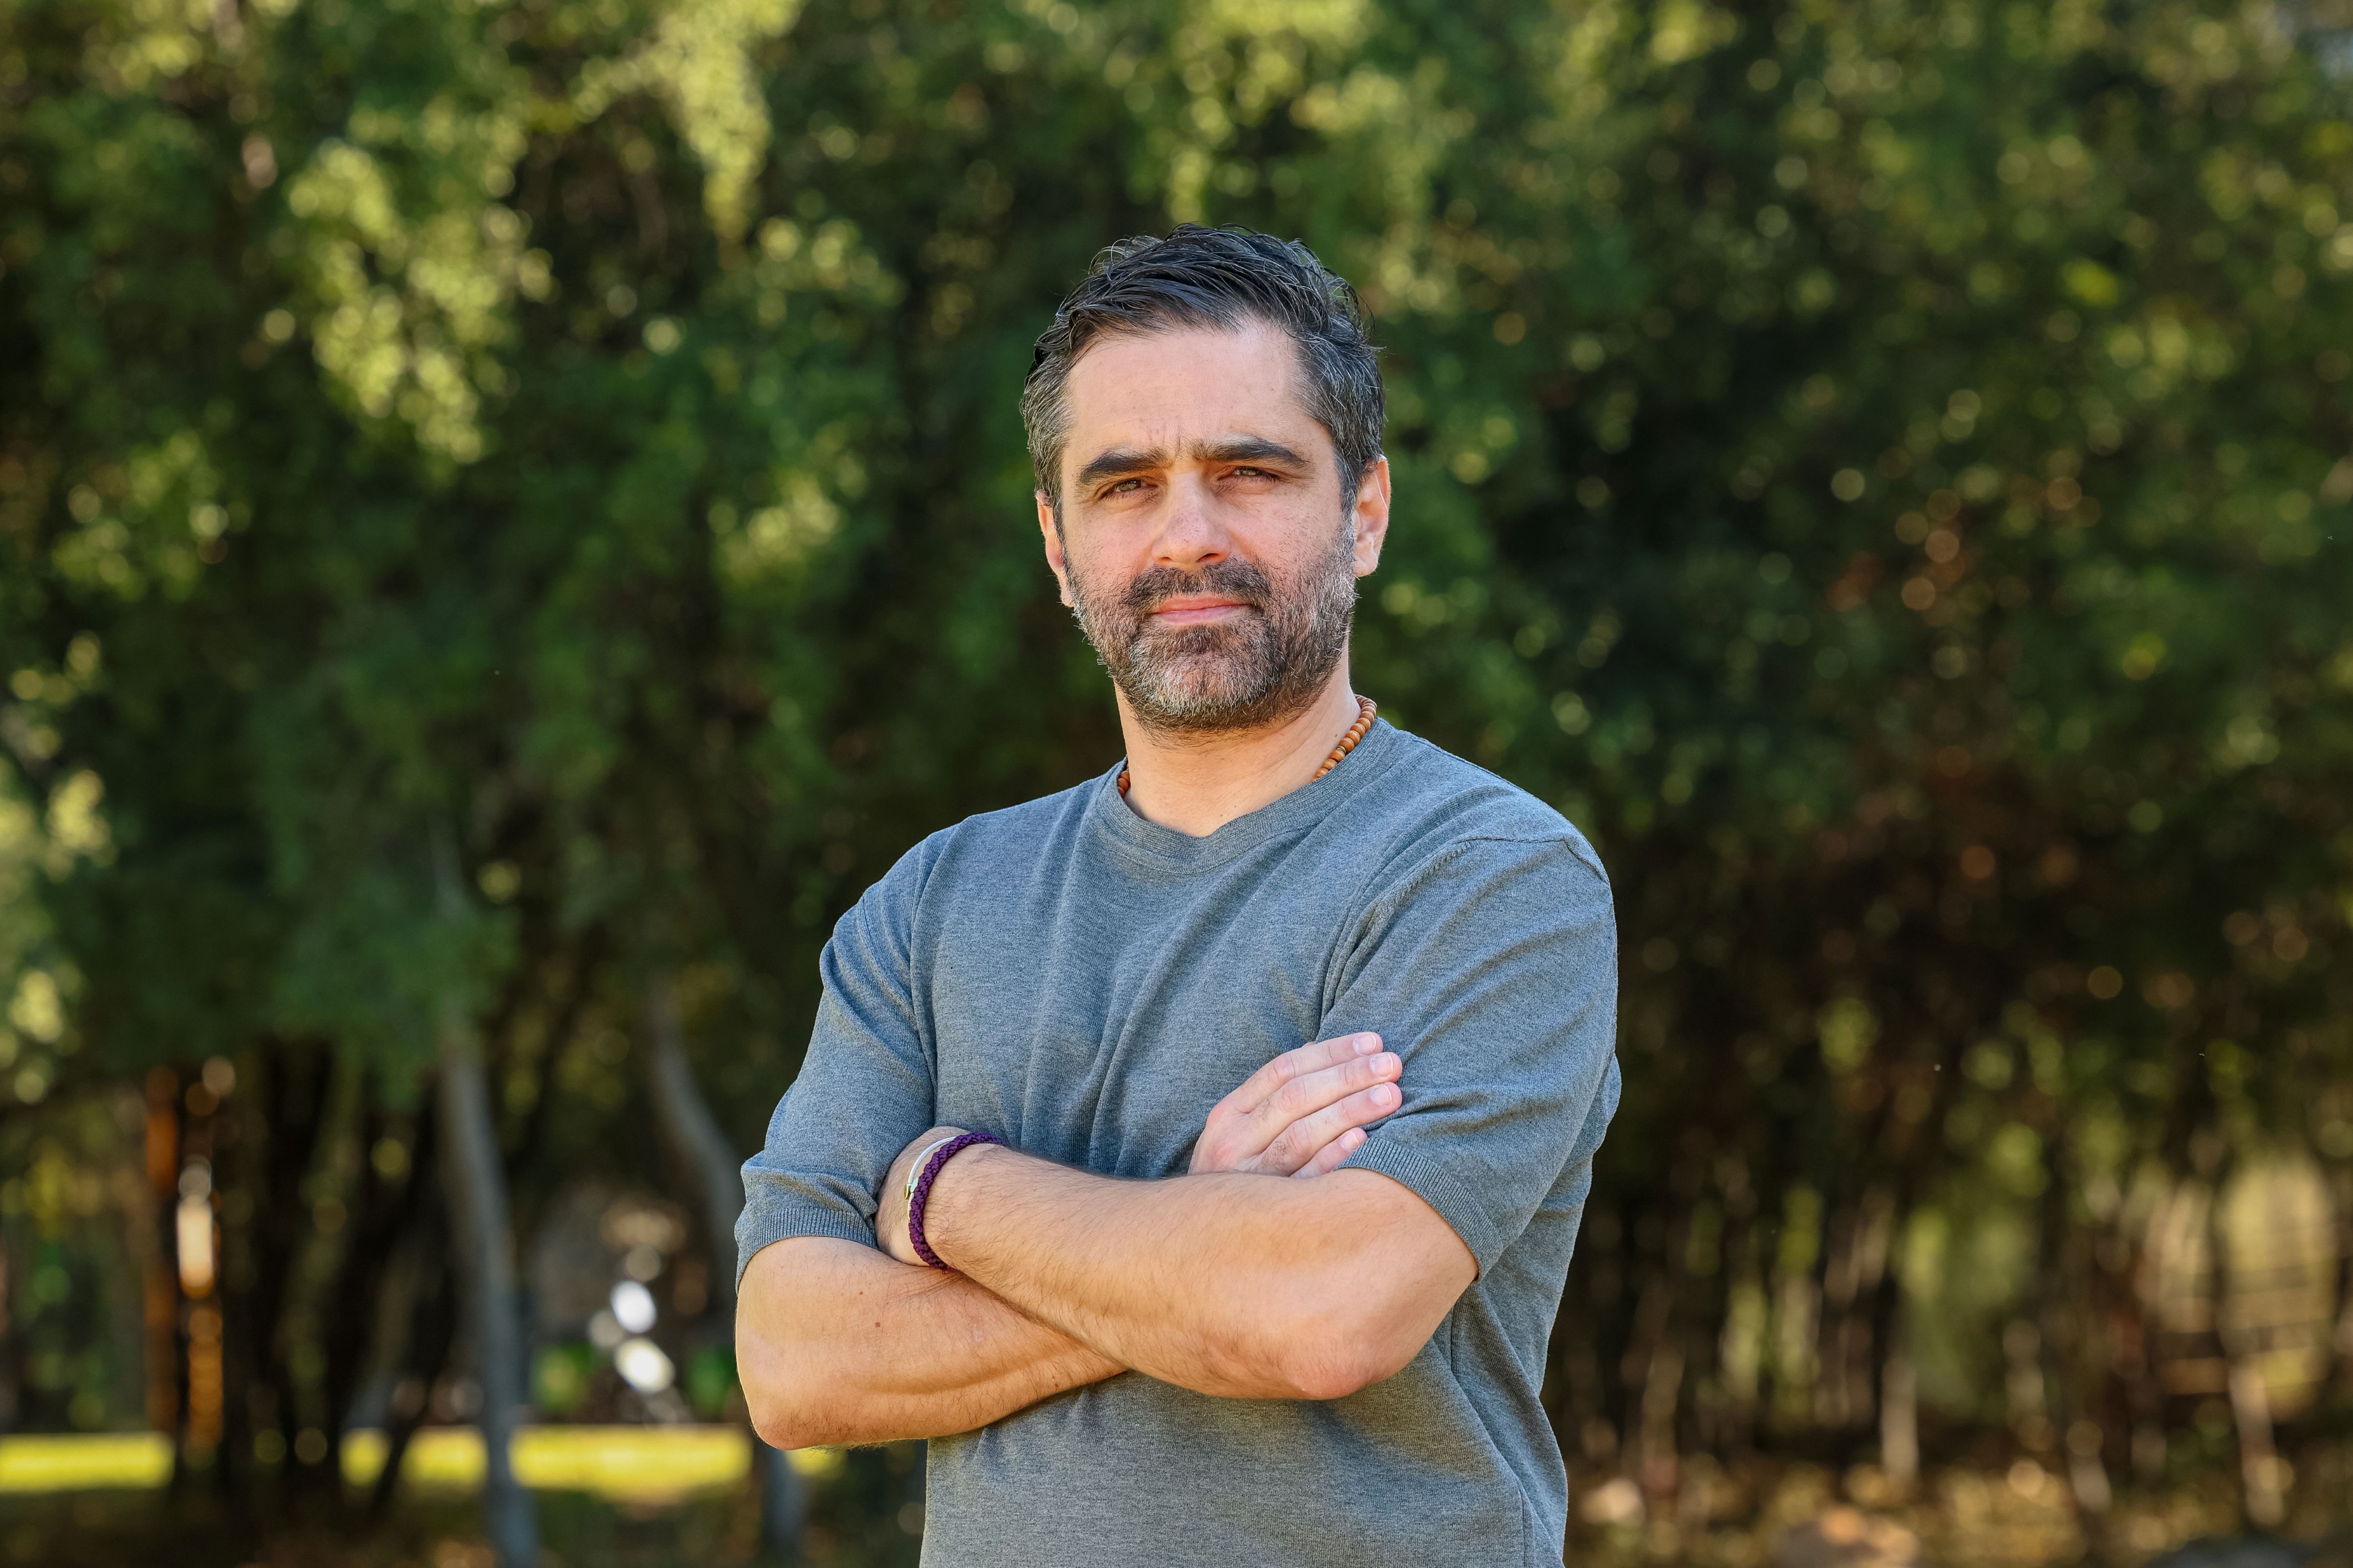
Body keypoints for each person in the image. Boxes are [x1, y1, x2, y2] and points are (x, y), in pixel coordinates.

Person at [734, 224, 1620, 1567]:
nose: (1187, 534)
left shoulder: (1488, 875)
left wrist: (941, 1192)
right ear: (1056, 541)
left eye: (1248, 472)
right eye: (1125, 485)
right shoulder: (934, 906)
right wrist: (1200, 1223)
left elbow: (1321, 1313)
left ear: (1365, 512)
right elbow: (794, 1362)